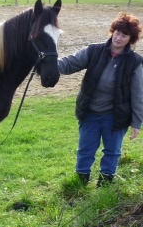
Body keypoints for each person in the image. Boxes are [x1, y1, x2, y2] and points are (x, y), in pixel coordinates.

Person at [58, 12, 143, 186]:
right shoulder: (94, 51)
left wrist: (136, 122)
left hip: (115, 116)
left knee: (112, 151)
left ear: (131, 39)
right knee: (85, 150)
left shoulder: (135, 62)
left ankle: (104, 187)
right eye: (117, 32)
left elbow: (138, 94)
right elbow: (69, 64)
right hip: (90, 112)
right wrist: (47, 62)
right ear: (113, 31)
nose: (119, 38)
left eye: (124, 35)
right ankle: (79, 186)